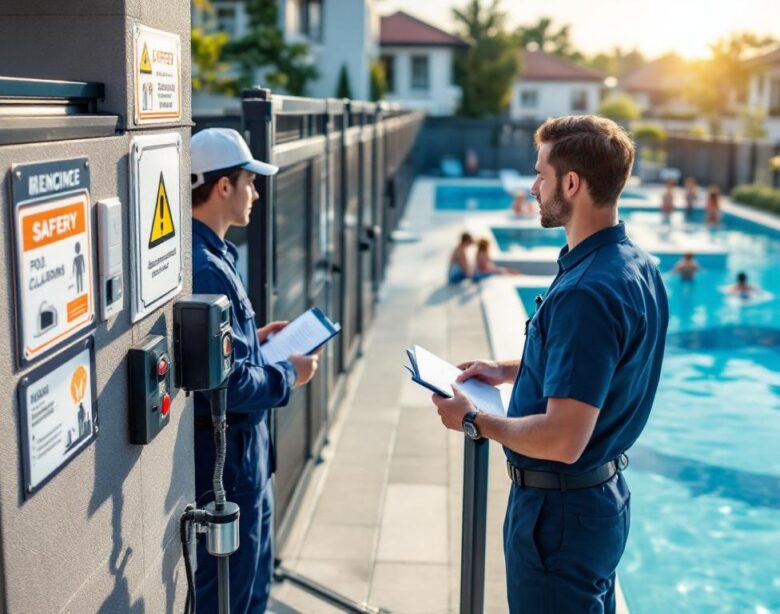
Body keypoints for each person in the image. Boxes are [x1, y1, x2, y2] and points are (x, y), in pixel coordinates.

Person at [431, 115, 668, 613]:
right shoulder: (634, 264)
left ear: (573, 183)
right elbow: (595, 364)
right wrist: (505, 369)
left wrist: (473, 420)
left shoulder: (587, 291)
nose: (534, 187)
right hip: (597, 502)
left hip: (559, 517)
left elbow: (563, 438)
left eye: (541, 174)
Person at [190, 128, 321, 614]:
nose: (256, 192)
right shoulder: (206, 268)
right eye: (249, 181)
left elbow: (223, 357)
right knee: (232, 598)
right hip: (231, 465)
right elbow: (228, 383)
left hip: (248, 458)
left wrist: (255, 339)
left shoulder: (217, 257)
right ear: (223, 188)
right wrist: (291, 373)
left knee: (253, 589)